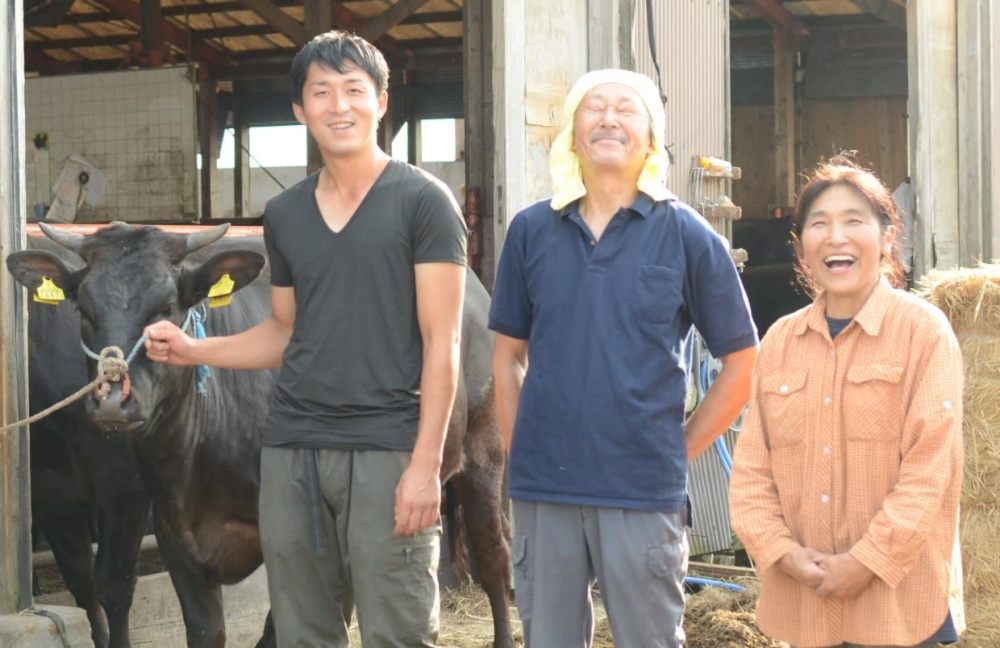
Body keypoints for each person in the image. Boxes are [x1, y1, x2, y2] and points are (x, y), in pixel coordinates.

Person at [144, 30, 468, 647]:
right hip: (292, 452)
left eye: (354, 90)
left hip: (386, 450)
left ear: (380, 101)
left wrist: (425, 466)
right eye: (321, 92)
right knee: (302, 632)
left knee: (397, 630)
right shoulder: (286, 214)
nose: (338, 105)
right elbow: (284, 332)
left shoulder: (424, 202)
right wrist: (194, 349)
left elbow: (442, 340)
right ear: (300, 110)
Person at [489, 69, 759, 648]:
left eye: (626, 110)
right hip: (545, 489)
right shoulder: (531, 231)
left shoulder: (686, 235)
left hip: (642, 489)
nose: (609, 119)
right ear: (572, 131)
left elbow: (743, 359)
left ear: (651, 137)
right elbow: (508, 354)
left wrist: (679, 447)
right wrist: (520, 445)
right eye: (594, 108)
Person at [729, 158, 965, 648]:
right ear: (801, 248)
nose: (835, 236)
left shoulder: (923, 334)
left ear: (885, 237)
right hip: (806, 604)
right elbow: (751, 472)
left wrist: (868, 561)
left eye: (854, 220)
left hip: (901, 611)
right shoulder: (780, 342)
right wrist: (782, 553)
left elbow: (930, 472)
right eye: (819, 224)